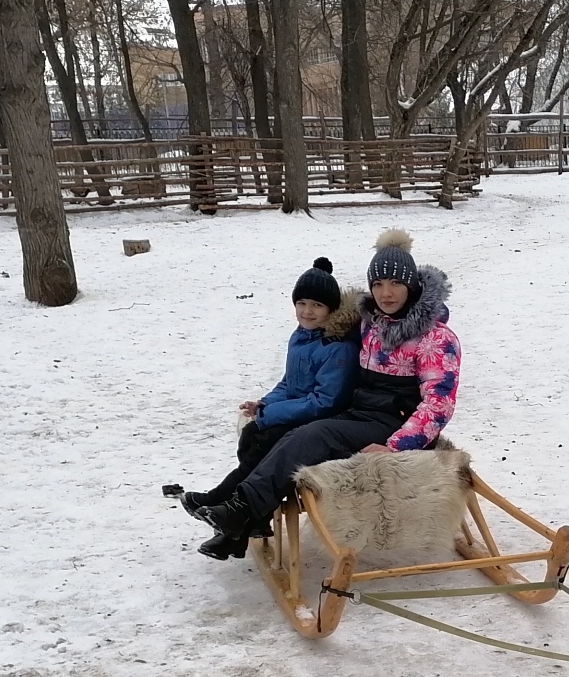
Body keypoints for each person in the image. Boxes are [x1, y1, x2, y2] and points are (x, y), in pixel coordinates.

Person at [194, 230, 461, 550]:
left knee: (313, 436)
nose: (386, 293)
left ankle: (242, 509)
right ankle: (239, 522)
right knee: (287, 432)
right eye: (377, 284)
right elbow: (326, 336)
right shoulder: (371, 324)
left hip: (396, 422)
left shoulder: (436, 339)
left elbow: (438, 405)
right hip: (361, 411)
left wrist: (394, 445)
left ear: (411, 286)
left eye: (395, 283)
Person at [182, 258, 362, 559]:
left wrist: (272, 415)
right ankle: (242, 527)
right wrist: (265, 404)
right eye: (301, 303)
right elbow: (289, 383)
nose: (307, 311)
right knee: (253, 435)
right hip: (300, 414)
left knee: (264, 443)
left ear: (331, 310)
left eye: (317, 305)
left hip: (323, 422)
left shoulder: (338, 347)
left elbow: (324, 402)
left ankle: (225, 502)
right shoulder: (301, 337)